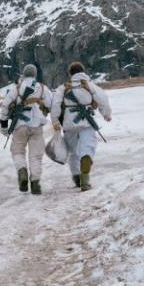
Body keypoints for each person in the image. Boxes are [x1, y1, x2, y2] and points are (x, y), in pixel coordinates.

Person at [50, 62, 112, 191]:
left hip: (69, 124)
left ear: (70, 74)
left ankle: (77, 179)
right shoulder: (89, 85)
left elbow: (55, 104)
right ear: (83, 71)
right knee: (87, 149)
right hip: (86, 124)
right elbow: (102, 99)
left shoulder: (64, 87)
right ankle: (85, 180)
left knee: (73, 153)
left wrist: (55, 120)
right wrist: (106, 114)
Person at [0, 64, 52, 194]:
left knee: (17, 152)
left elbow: (5, 106)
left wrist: (4, 125)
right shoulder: (42, 88)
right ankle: (35, 184)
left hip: (19, 126)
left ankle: (22, 171)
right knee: (36, 156)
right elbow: (51, 104)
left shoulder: (15, 89)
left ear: (23, 74)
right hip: (37, 127)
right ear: (34, 74)